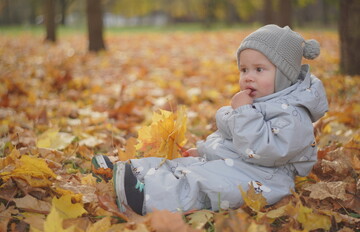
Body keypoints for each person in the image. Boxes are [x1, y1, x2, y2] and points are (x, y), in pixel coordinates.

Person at [92, 24, 328, 215]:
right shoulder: (260, 100)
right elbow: (229, 137)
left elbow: (262, 149)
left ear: (285, 75)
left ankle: (143, 196)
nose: (248, 77)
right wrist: (204, 149)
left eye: (259, 69)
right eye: (244, 70)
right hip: (237, 164)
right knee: (183, 166)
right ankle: (126, 172)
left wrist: (244, 113)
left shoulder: (294, 115)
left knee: (201, 182)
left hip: (263, 179)